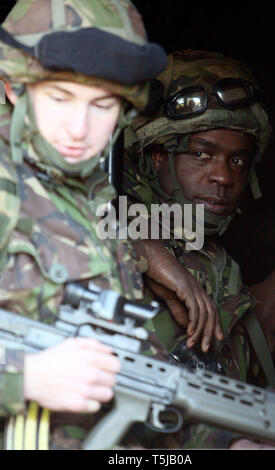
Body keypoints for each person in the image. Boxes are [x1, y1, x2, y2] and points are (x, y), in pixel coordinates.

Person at [0, 0, 169, 450]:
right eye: (59, 98)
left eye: (102, 105)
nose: (79, 128)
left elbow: (140, 366)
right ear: (15, 88)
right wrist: (22, 377)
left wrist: (224, 442)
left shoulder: (95, 197)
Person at [123, 49, 275, 449]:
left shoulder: (214, 259)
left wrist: (265, 334)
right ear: (157, 156)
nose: (223, 176)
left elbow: (215, 387)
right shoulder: (115, 238)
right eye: (201, 154)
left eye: (238, 160)